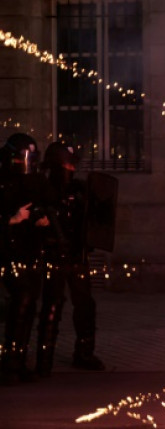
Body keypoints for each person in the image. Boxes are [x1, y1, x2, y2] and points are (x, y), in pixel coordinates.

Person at [34, 141, 106, 378]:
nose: (70, 168)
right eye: (66, 163)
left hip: (76, 254)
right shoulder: (43, 190)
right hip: (54, 255)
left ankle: (84, 353)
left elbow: (92, 219)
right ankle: (44, 361)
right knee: (52, 305)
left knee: (85, 305)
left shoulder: (78, 189)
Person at [0, 133, 54, 384]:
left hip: (31, 251)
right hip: (7, 251)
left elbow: (46, 206)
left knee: (29, 305)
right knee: (19, 302)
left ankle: (19, 360)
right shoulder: (3, 181)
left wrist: (44, 219)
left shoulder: (37, 181)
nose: (26, 163)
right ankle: (10, 362)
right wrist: (12, 219)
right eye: (23, 157)